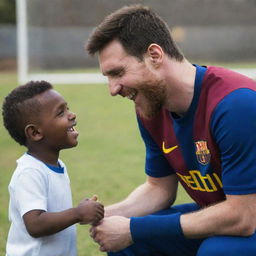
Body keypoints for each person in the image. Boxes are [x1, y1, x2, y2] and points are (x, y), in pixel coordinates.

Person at [85, 4, 256, 256]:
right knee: (125, 242)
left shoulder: (235, 104)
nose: (112, 89)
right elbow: (158, 189)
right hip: (232, 215)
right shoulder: (151, 109)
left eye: (118, 73)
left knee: (216, 251)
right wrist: (102, 216)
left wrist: (135, 229)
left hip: (245, 216)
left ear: (154, 55)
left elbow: (243, 216)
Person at [2, 81, 104, 256]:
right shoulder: (29, 172)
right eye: (60, 112)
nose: (72, 115)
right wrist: (78, 213)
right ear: (35, 133)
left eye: (67, 108)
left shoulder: (57, 166)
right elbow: (35, 224)